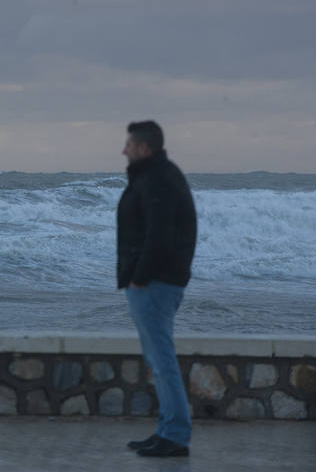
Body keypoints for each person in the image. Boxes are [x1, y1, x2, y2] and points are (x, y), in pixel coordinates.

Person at [117, 121, 197, 458]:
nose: (124, 150)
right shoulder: (155, 175)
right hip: (154, 280)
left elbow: (159, 235)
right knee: (157, 360)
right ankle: (166, 430)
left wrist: (139, 276)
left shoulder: (159, 179)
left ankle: (176, 434)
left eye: (129, 145)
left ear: (144, 148)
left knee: (162, 361)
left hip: (154, 282)